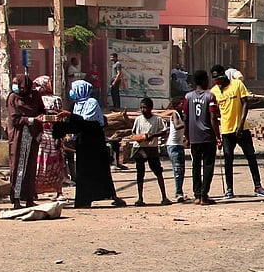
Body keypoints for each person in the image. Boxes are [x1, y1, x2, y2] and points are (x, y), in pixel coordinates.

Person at [53, 80, 125, 208]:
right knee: (83, 171)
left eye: (73, 89)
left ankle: (112, 196)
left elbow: (87, 120)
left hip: (94, 141)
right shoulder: (76, 105)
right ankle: (84, 200)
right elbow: (76, 124)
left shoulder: (92, 103)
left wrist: (70, 115)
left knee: (100, 169)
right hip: (82, 142)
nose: (72, 92)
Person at [211, 64, 264, 198]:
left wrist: (240, 124)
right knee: (228, 159)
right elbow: (215, 114)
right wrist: (217, 135)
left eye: (219, 77)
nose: (218, 81)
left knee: (251, 157)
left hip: (242, 129)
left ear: (224, 74)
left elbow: (245, 103)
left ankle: (258, 186)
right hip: (226, 131)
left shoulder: (237, 84)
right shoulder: (214, 91)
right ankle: (229, 189)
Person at [7, 74, 45, 208]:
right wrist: (32, 119)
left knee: (30, 168)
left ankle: (29, 198)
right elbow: (15, 119)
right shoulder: (13, 98)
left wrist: (43, 118)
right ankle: (16, 199)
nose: (16, 87)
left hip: (32, 136)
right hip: (19, 136)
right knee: (18, 168)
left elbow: (41, 111)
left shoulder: (34, 96)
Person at [184, 69, 220, 205]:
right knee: (208, 166)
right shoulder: (210, 96)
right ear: (205, 81)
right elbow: (213, 118)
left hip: (194, 137)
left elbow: (186, 118)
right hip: (207, 136)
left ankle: (197, 195)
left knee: (195, 166)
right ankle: (204, 195)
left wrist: (187, 136)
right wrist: (218, 136)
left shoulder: (188, 97)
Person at [130, 97, 170, 206]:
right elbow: (133, 133)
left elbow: (165, 131)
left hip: (152, 148)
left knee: (158, 172)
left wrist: (153, 136)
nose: (143, 110)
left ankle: (164, 196)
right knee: (140, 173)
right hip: (140, 148)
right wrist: (140, 137)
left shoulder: (157, 119)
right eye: (141, 108)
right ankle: (140, 198)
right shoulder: (138, 119)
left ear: (151, 108)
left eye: (145, 108)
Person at [32, 76, 66, 200]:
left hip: (44, 136)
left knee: (41, 163)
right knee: (53, 163)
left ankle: (37, 191)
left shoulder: (36, 100)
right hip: (49, 135)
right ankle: (57, 191)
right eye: (49, 82)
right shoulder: (53, 99)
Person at [164, 95, 188, 202]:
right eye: (180, 103)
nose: (182, 105)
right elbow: (177, 126)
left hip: (179, 145)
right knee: (177, 169)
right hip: (173, 145)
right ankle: (178, 192)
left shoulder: (181, 115)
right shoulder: (175, 114)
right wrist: (187, 123)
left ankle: (180, 191)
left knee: (182, 170)